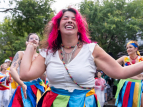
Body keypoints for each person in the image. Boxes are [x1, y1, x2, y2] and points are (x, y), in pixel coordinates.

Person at [19, 8, 143, 107]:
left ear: (79, 26)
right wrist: (30, 48)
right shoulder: (48, 52)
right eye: (65, 18)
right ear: (57, 25)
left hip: (84, 103)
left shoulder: (92, 49)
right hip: (54, 103)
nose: (69, 20)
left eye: (74, 19)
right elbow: (25, 75)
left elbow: (120, 72)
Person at [8, 33, 45, 107]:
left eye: (36, 39)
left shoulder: (40, 56)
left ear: (38, 43)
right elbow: (12, 69)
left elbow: (44, 76)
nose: (34, 40)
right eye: (31, 38)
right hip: (22, 88)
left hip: (37, 89)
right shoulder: (21, 53)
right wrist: (22, 84)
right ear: (27, 42)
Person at [115, 40, 143, 107]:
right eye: (127, 48)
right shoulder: (124, 58)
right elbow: (111, 65)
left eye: (130, 47)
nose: (128, 49)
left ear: (136, 48)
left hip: (139, 85)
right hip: (125, 84)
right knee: (124, 104)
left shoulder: (142, 59)